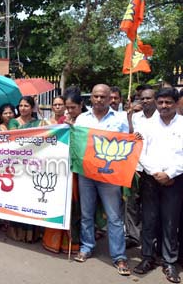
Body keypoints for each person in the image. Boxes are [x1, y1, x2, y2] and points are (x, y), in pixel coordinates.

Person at [73, 84, 131, 276]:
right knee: (86, 213)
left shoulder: (120, 119)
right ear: (91, 98)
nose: (98, 100)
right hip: (86, 174)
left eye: (102, 97)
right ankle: (86, 247)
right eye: (95, 96)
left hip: (109, 175)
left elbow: (128, 143)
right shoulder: (82, 118)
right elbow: (76, 143)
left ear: (109, 98)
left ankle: (119, 256)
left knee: (114, 217)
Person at [134, 88, 183, 283]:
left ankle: (169, 261)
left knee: (171, 222)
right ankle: (147, 257)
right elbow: (140, 152)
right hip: (150, 178)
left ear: (176, 103)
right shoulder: (146, 125)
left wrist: (170, 174)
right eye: (161, 102)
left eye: (168, 102)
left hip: (175, 179)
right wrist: (157, 174)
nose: (164, 106)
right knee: (149, 220)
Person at [42, 87, 84, 253]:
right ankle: (54, 241)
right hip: (62, 168)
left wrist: (75, 129)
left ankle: (74, 243)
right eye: (68, 108)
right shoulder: (61, 123)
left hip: (79, 169)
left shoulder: (86, 121)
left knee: (76, 207)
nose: (69, 111)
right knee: (59, 203)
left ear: (81, 106)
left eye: (72, 107)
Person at [6, 96, 45, 242]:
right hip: (17, 164)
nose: (23, 108)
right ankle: (16, 232)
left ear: (32, 107)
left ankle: (31, 234)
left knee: (30, 199)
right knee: (17, 197)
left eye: (26, 106)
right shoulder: (13, 122)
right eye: (21, 105)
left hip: (34, 164)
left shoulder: (38, 122)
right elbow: (15, 138)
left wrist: (42, 124)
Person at [124, 88, 158, 248]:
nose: (145, 101)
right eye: (142, 98)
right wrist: (129, 118)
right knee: (132, 203)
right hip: (135, 166)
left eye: (148, 98)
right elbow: (129, 135)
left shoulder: (162, 118)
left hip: (154, 168)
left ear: (155, 100)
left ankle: (152, 239)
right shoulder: (136, 117)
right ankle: (132, 236)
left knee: (151, 206)